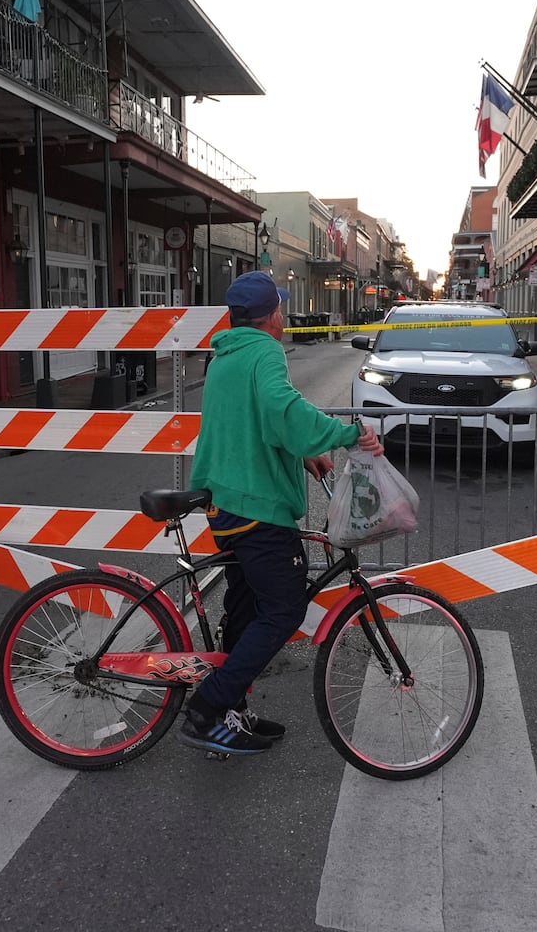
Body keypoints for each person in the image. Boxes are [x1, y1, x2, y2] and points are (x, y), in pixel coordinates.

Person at [181, 270, 384, 755]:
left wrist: (301, 452)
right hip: (258, 509)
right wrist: (346, 434)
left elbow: (251, 425)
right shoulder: (265, 351)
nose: (283, 316)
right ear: (273, 315)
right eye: (281, 309)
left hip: (225, 504)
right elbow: (282, 409)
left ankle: (230, 711)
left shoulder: (225, 356)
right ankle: (209, 706)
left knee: (246, 610)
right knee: (285, 608)